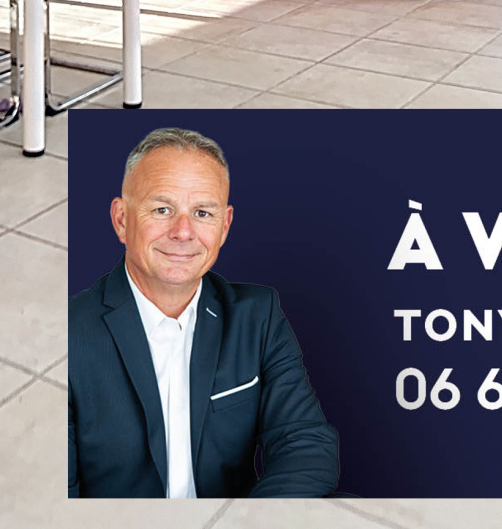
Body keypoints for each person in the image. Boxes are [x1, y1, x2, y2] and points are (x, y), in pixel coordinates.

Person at [68, 127, 340, 498]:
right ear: (121, 219)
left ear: (224, 226)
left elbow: (305, 443)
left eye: (202, 213)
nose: (183, 232)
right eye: (162, 210)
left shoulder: (257, 317)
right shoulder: (68, 334)